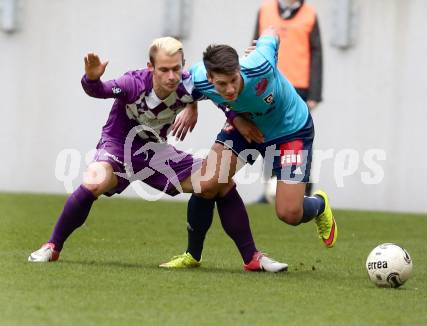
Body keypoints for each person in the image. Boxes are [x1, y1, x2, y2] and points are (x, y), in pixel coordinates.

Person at [28, 36, 287, 273]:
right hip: (118, 146)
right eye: (164, 69)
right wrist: (92, 79)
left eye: (176, 68)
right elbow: (101, 90)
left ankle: (252, 257)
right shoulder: (133, 83)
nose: (172, 75)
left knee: (216, 181)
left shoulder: (188, 85)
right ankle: (52, 246)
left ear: (183, 65)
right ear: (151, 67)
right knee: (94, 180)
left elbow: (216, 94)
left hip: (155, 152)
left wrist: (230, 117)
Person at [161, 27, 336, 268]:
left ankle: (319, 205)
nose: (230, 89)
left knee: (289, 213)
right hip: (247, 128)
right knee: (208, 183)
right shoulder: (199, 77)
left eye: (234, 80)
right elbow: (185, 88)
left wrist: (264, 43)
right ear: (210, 79)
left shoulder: (259, 64)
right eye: (222, 84)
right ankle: (192, 255)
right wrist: (193, 107)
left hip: (290, 128)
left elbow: (273, 32)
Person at [254, 0, 323, 196]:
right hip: (268, 86)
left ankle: (304, 189)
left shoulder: (309, 14)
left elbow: (317, 53)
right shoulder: (265, 10)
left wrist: (315, 93)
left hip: (298, 88)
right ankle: (270, 191)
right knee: (267, 137)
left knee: (298, 140)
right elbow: (254, 47)